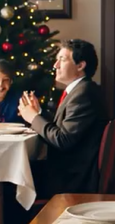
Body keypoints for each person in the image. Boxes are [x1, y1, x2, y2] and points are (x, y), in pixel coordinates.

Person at [18, 39, 108, 195]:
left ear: (80, 65)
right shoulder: (79, 90)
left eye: (62, 59)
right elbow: (63, 129)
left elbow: (63, 140)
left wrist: (33, 118)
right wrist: (39, 113)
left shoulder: (83, 94)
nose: (55, 65)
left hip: (71, 178)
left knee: (12, 181)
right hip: (68, 170)